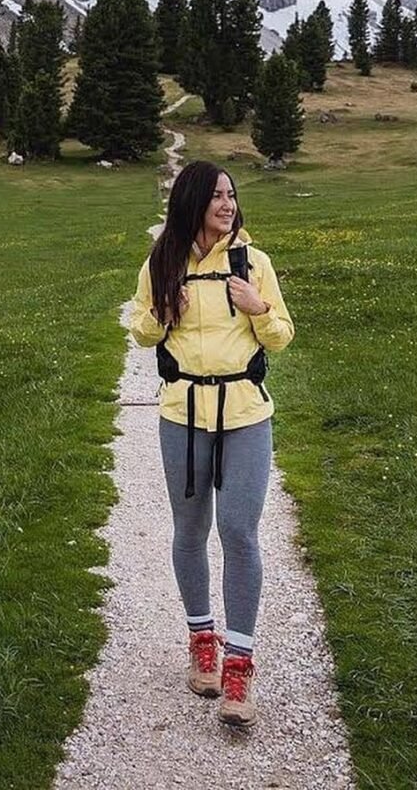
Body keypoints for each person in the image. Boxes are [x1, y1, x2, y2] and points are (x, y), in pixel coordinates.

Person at [129, 159, 294, 727]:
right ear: (192, 201)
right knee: (191, 531)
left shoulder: (255, 263)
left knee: (241, 533)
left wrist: (261, 309)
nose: (227, 204)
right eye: (217, 196)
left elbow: (283, 335)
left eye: (232, 195)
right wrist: (161, 315)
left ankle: (239, 664)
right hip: (182, 414)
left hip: (246, 414)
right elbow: (141, 328)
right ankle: (202, 638)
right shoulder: (163, 262)